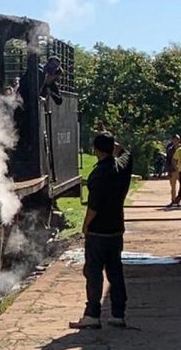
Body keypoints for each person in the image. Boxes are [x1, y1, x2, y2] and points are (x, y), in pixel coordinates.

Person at [69, 133, 133, 329]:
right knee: (115, 273)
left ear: (96, 150)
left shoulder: (97, 175)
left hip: (97, 232)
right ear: (111, 147)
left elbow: (93, 207)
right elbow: (127, 153)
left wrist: (85, 225)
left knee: (94, 273)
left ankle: (93, 315)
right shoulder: (122, 167)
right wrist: (117, 146)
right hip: (116, 230)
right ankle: (118, 314)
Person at [165, 134, 180, 206]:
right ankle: (173, 200)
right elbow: (167, 160)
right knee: (173, 187)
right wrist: (168, 171)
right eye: (174, 140)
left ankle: (178, 201)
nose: (176, 141)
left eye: (177, 140)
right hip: (173, 170)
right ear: (172, 141)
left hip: (180, 170)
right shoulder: (170, 150)